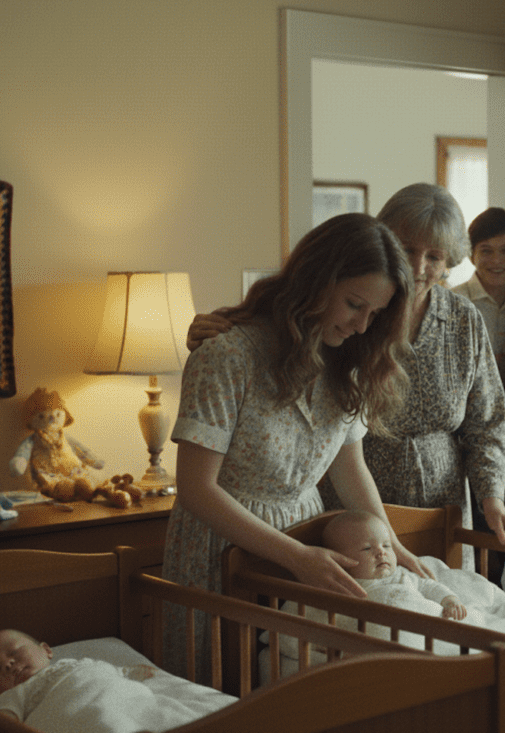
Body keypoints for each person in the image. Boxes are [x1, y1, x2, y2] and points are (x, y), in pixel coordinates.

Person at [188, 186, 505, 564]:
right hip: (335, 523)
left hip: (433, 511)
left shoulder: (449, 325)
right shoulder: (284, 344)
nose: (417, 267)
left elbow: (487, 422)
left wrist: (489, 497)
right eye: (407, 249)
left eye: (434, 256)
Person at [163, 212, 429, 681]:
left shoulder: (345, 365)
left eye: (376, 314)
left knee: (295, 691)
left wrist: (391, 542)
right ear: (316, 282)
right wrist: (294, 557)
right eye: (353, 304)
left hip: (308, 541)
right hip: (226, 547)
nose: (363, 327)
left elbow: (349, 466)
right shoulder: (228, 356)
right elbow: (195, 488)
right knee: (223, 693)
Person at [451, 207, 505, 585]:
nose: (497, 261)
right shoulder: (454, 302)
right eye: (486, 250)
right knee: (459, 522)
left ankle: (490, 595)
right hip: (456, 428)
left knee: (496, 518)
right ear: (470, 254)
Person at [0, 629, 228, 733]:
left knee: (161, 714)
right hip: (82, 717)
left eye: (14, 652)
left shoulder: (82, 663)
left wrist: (138, 673)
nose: (8, 664)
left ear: (47, 650)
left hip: (125, 701)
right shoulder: (15, 695)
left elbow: (116, 673)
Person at [322, 510, 467, 620]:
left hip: (423, 626)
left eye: (386, 545)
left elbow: (429, 586)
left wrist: (450, 600)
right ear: (339, 560)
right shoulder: (343, 588)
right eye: (367, 548)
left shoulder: (402, 575)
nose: (381, 552)